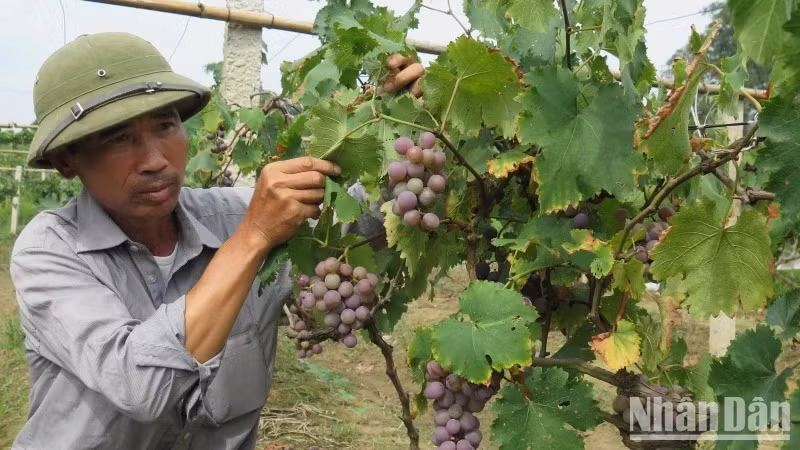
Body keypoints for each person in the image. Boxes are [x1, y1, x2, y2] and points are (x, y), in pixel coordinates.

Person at [9, 32, 423, 449]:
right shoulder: (50, 251)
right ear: (66, 161)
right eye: (119, 138)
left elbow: (354, 231)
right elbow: (142, 387)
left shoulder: (233, 215)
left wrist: (407, 129)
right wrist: (253, 238)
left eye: (166, 125)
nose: (156, 160)